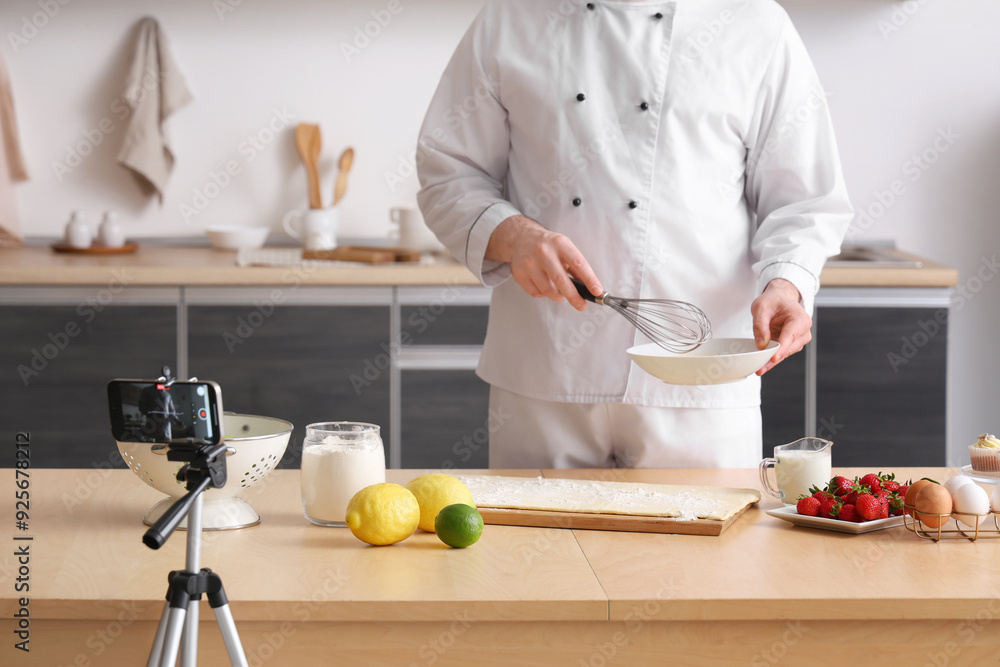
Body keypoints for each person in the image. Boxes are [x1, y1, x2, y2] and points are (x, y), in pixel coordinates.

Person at [416, 0, 853, 469]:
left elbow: (805, 199)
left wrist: (787, 282)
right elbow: (449, 172)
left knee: (710, 541)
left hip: (702, 379)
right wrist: (514, 235)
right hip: (544, 376)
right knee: (541, 541)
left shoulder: (754, 23)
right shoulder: (509, 18)